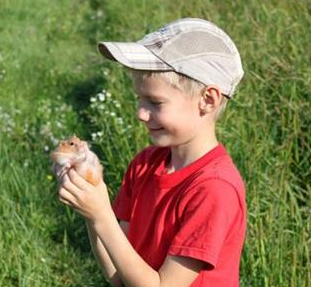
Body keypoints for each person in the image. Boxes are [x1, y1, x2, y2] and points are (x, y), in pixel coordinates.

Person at [55, 18, 246, 287]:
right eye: (139, 99)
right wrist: (91, 208)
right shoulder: (144, 165)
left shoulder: (214, 189)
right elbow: (120, 278)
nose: (141, 113)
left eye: (155, 102)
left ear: (208, 100)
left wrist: (102, 214)